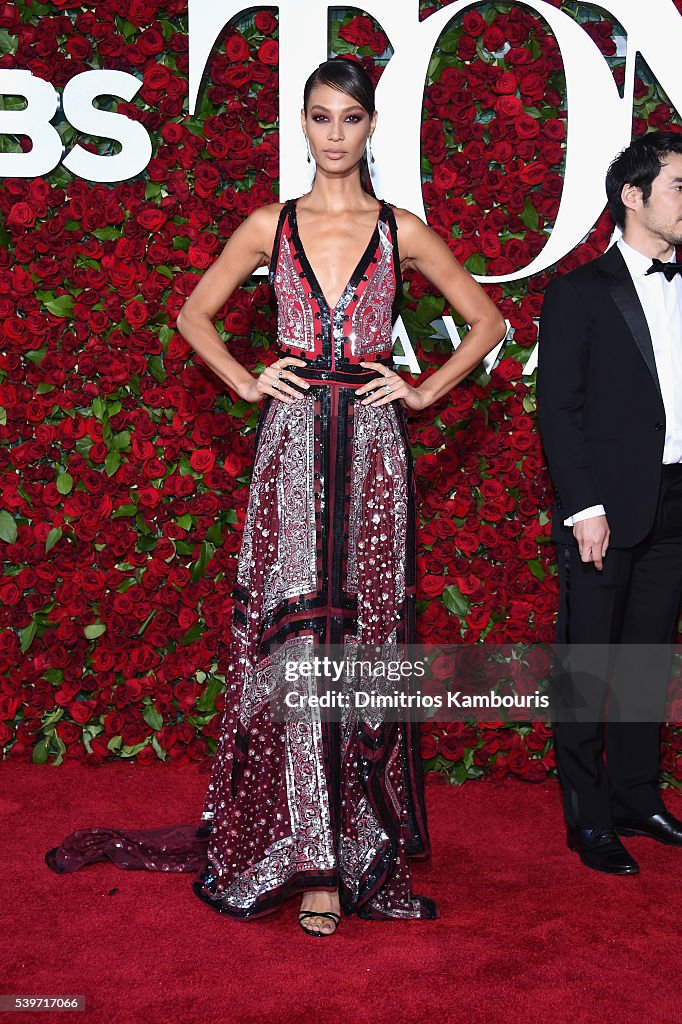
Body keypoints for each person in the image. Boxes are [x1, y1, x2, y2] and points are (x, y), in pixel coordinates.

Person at [45, 57, 506, 935]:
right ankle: (305, 854)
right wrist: (248, 383)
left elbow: (488, 319)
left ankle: (351, 845)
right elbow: (193, 314)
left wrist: (421, 389)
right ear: (302, 126)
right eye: (320, 118)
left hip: (371, 449)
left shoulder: (401, 229)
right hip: (293, 446)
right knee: (295, 634)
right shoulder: (269, 225)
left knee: (361, 635)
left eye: (350, 119)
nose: (335, 135)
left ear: (372, 129)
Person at [537, 130, 682, 876]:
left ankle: (635, 795)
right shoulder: (578, 294)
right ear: (634, 195)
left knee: (646, 660)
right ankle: (587, 818)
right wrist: (582, 506)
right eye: (680, 187)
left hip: (676, 500)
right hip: (604, 507)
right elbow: (557, 410)